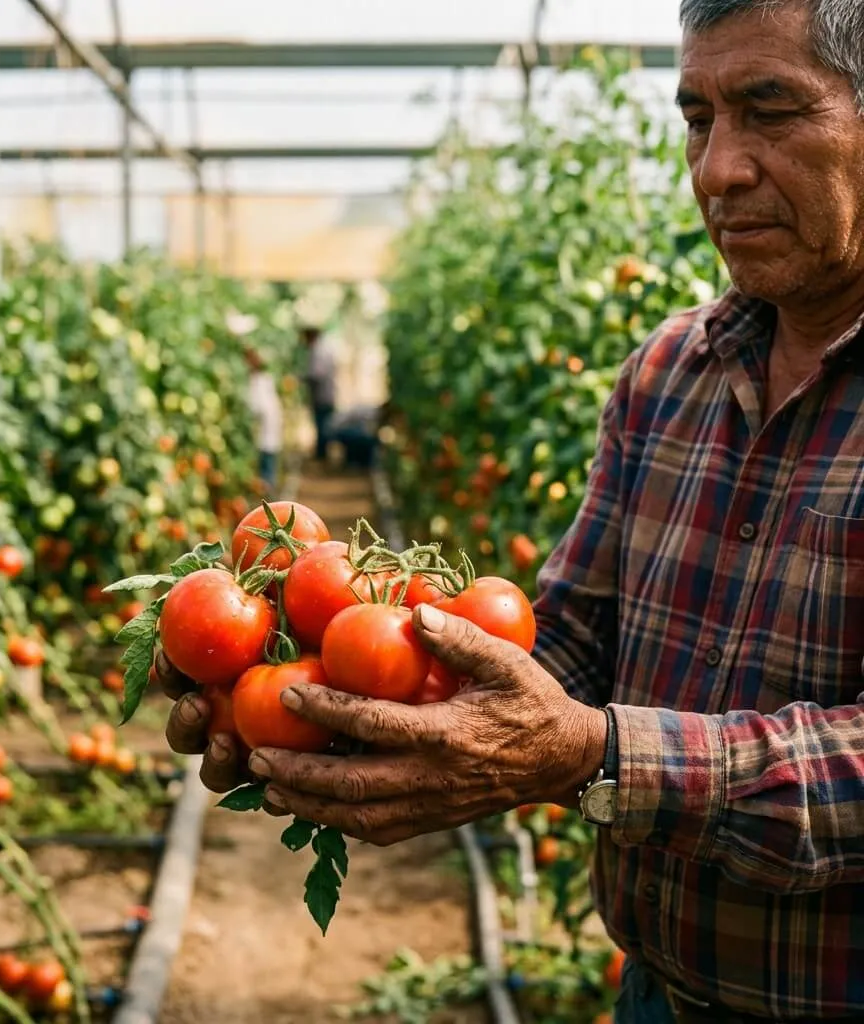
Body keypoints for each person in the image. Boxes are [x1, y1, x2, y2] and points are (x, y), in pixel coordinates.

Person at [162, 3, 864, 1021]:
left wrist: (596, 752)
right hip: (658, 992)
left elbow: (589, 730)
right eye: (696, 117)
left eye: (770, 110)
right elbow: (570, 639)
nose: (718, 169)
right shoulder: (668, 374)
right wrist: (375, 717)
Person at [244, 347, 283, 494]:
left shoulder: (259, 380)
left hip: (265, 424)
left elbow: (258, 406)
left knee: (267, 457)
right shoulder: (264, 378)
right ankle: (268, 487)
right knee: (268, 454)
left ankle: (268, 489)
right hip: (268, 423)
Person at [301, 326, 336, 462]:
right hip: (326, 395)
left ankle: (322, 455)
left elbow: (317, 374)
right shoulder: (324, 349)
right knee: (323, 424)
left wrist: (301, 378)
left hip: (322, 396)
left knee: (323, 425)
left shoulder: (319, 351)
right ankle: (322, 453)